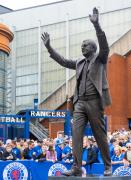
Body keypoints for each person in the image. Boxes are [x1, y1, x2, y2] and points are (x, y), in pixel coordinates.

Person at [42, 7, 112, 176]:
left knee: (99, 134)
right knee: (76, 134)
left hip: (95, 101)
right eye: (81, 45)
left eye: (85, 45)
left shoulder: (100, 58)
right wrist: (49, 48)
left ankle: (108, 166)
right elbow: (63, 61)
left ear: (93, 48)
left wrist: (97, 25)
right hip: (79, 102)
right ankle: (76, 167)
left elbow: (104, 44)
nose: (82, 47)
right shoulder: (80, 62)